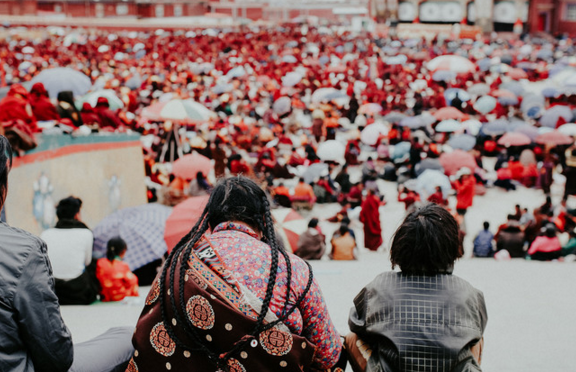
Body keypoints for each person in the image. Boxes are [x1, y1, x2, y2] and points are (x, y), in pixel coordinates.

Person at [130, 177, 343, 371]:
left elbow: (152, 339)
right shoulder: (293, 268)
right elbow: (328, 354)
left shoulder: (179, 264)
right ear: (262, 220)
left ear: (209, 220)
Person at [0, 135, 133, 372]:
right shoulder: (26, 248)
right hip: (76, 293)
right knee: (127, 338)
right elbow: (57, 356)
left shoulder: (47, 234)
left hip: (59, 290)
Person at [348, 204, 487, 372]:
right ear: (450, 247)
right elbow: (478, 327)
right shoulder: (469, 293)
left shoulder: (379, 285)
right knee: (476, 339)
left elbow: (355, 323)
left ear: (401, 244)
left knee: (352, 338)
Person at [40, 196, 99, 305]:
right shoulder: (86, 233)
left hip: (52, 290)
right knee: (94, 263)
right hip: (79, 292)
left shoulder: (46, 234)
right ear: (77, 215)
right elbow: (87, 262)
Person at [96, 237, 139, 302]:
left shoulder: (100, 262)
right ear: (123, 251)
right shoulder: (123, 265)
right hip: (120, 296)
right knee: (133, 278)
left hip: (105, 296)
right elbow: (131, 281)